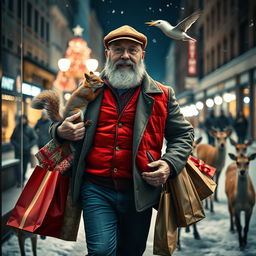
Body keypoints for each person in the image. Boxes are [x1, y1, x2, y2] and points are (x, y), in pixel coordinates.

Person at [50, 25, 194, 255]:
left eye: (132, 50)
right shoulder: (89, 89)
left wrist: (168, 164)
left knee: (131, 252)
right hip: (96, 188)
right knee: (101, 251)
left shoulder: (163, 95)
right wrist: (60, 131)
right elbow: (61, 124)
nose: (125, 55)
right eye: (118, 49)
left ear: (142, 55)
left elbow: (183, 134)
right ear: (108, 54)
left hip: (139, 192)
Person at [11, 114, 38, 186]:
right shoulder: (16, 128)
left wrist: (28, 146)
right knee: (18, 167)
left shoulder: (29, 129)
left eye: (24, 119)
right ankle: (19, 180)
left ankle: (22, 179)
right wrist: (16, 146)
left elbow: (35, 139)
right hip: (18, 152)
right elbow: (12, 139)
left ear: (26, 120)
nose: (23, 120)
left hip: (26, 151)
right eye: (21, 119)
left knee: (25, 166)